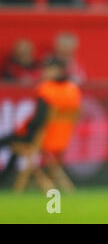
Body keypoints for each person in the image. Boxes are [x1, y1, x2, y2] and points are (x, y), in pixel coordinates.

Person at [0, 57, 82, 193]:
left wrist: (25, 129)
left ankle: (4, 183)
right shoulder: (73, 90)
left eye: (48, 69)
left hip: (42, 140)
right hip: (61, 142)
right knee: (17, 149)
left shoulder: (46, 89)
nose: (44, 72)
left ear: (58, 71)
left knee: (9, 141)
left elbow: (39, 121)